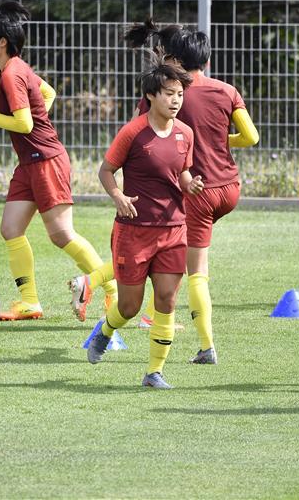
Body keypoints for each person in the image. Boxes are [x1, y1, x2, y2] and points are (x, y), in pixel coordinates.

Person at [71, 19, 259, 364]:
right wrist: (220, 141)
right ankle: (103, 292)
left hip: (193, 196)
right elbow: (251, 137)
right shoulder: (226, 91)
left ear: (173, 60)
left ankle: (202, 348)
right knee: (157, 274)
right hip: (229, 187)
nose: (175, 98)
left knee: (191, 273)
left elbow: (141, 138)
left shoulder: (168, 108)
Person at [0, 1, 117, 321]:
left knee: (61, 234)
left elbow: (24, 124)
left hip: (46, 160)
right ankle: (30, 302)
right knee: (10, 229)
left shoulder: (12, 74)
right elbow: (48, 93)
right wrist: (38, 118)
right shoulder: (17, 68)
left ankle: (112, 291)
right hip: (30, 163)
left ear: (2, 43)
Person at [85, 56, 203, 389]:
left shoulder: (185, 133)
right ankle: (105, 330)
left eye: (179, 94)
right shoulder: (133, 132)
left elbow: (182, 172)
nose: (176, 100)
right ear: (151, 95)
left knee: (167, 299)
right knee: (129, 306)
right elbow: (106, 170)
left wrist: (190, 184)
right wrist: (118, 196)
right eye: (169, 94)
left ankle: (154, 372)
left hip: (174, 229)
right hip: (134, 231)